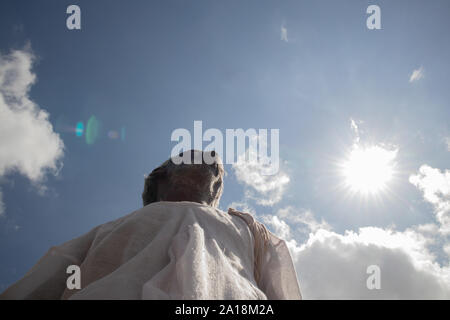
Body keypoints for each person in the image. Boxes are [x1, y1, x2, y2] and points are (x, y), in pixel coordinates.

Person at [0, 150, 301, 299]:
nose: (204, 164)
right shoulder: (106, 231)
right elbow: (42, 284)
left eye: (212, 167)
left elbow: (279, 289)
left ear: (215, 190)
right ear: (161, 177)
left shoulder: (248, 229)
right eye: (188, 158)